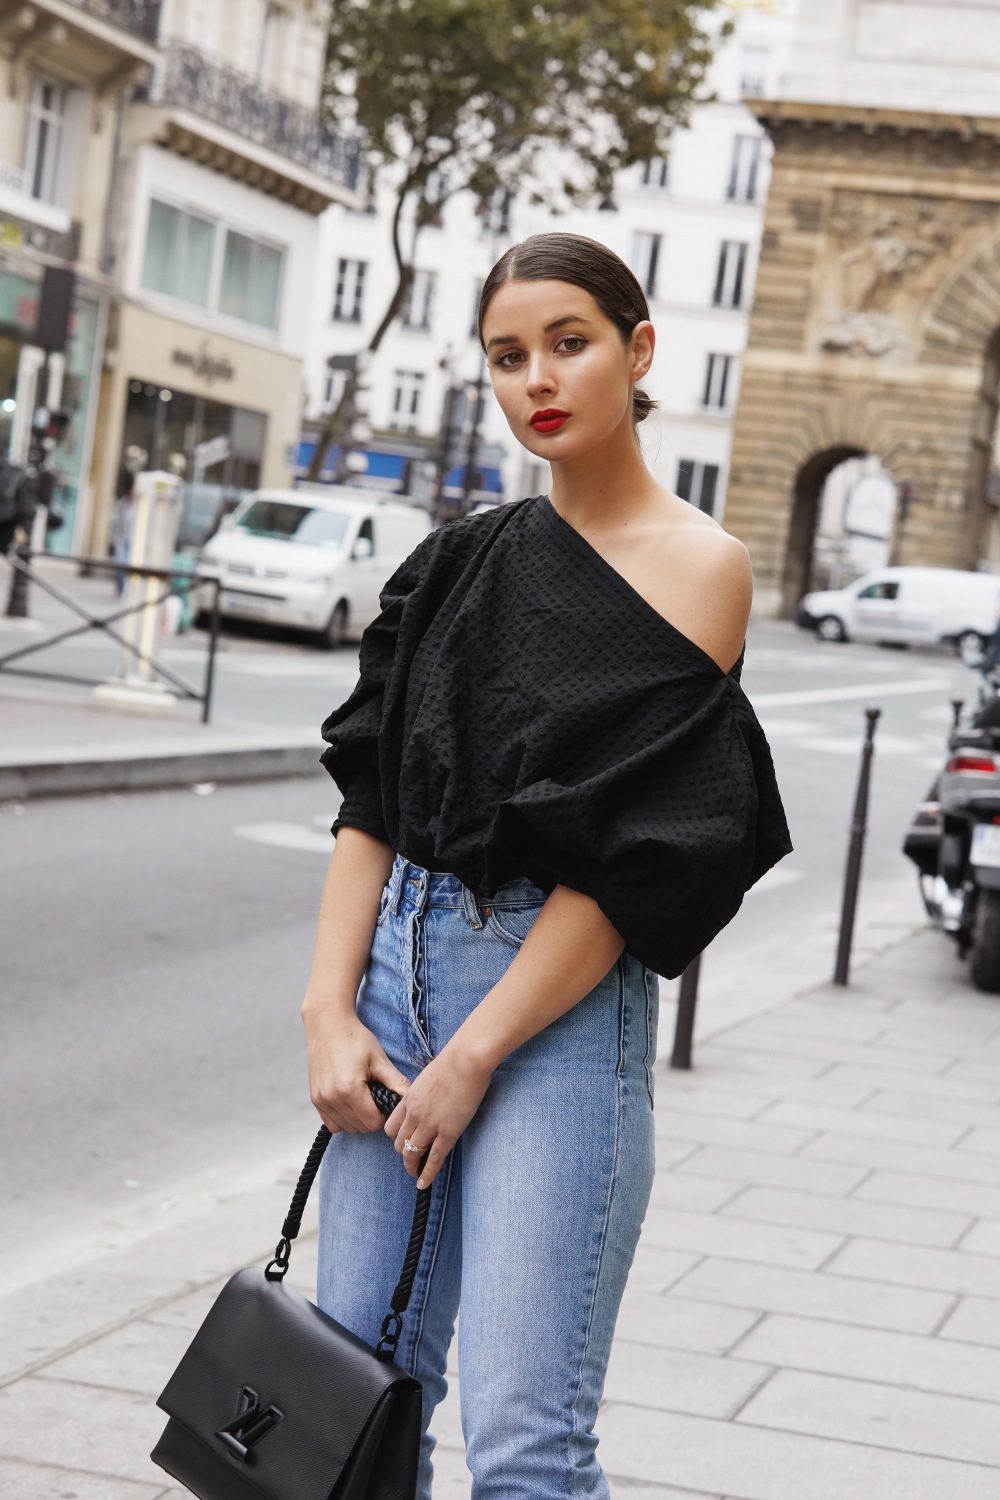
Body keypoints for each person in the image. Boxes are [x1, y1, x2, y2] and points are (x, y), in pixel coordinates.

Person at [304, 232, 791, 1499]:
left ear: (637, 351)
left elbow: (635, 859)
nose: (538, 380)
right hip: (392, 988)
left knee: (526, 1439)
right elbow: (372, 798)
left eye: (569, 344)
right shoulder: (455, 558)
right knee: (352, 1403)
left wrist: (472, 1060)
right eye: (508, 356)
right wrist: (325, 1012)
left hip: (555, 1017)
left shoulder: (699, 567)